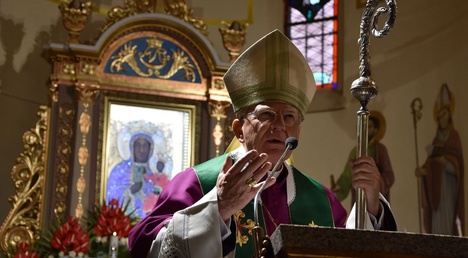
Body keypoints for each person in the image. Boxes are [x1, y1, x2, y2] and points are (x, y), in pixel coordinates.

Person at [128, 29, 397, 258]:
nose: (280, 125)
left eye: (290, 116)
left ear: (298, 130)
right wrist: (218, 207)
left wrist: (371, 207)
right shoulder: (197, 183)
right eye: (266, 114)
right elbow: (145, 248)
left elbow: (350, 252)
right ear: (239, 129)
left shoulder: (319, 199)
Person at [415, 84, 464, 235]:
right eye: (439, 116)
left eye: (444, 114)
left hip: (448, 188)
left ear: (449, 115)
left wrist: (445, 163)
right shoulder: (436, 139)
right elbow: (431, 163)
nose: (441, 119)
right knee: (437, 223)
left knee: (448, 220)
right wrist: (423, 171)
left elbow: (458, 168)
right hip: (436, 189)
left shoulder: (454, 137)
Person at [333, 111, 395, 205]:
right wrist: (336, 193)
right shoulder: (355, 151)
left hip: (376, 200)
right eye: (364, 127)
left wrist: (375, 182)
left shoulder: (381, 149)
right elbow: (347, 177)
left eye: (369, 127)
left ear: (375, 130)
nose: (366, 130)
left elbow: (389, 176)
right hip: (359, 199)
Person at [107, 134, 161, 218]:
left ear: (150, 150)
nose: (141, 150)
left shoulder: (155, 177)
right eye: (138, 145)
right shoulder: (119, 170)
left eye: (145, 146)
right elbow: (111, 194)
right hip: (123, 225)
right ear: (132, 148)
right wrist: (130, 191)